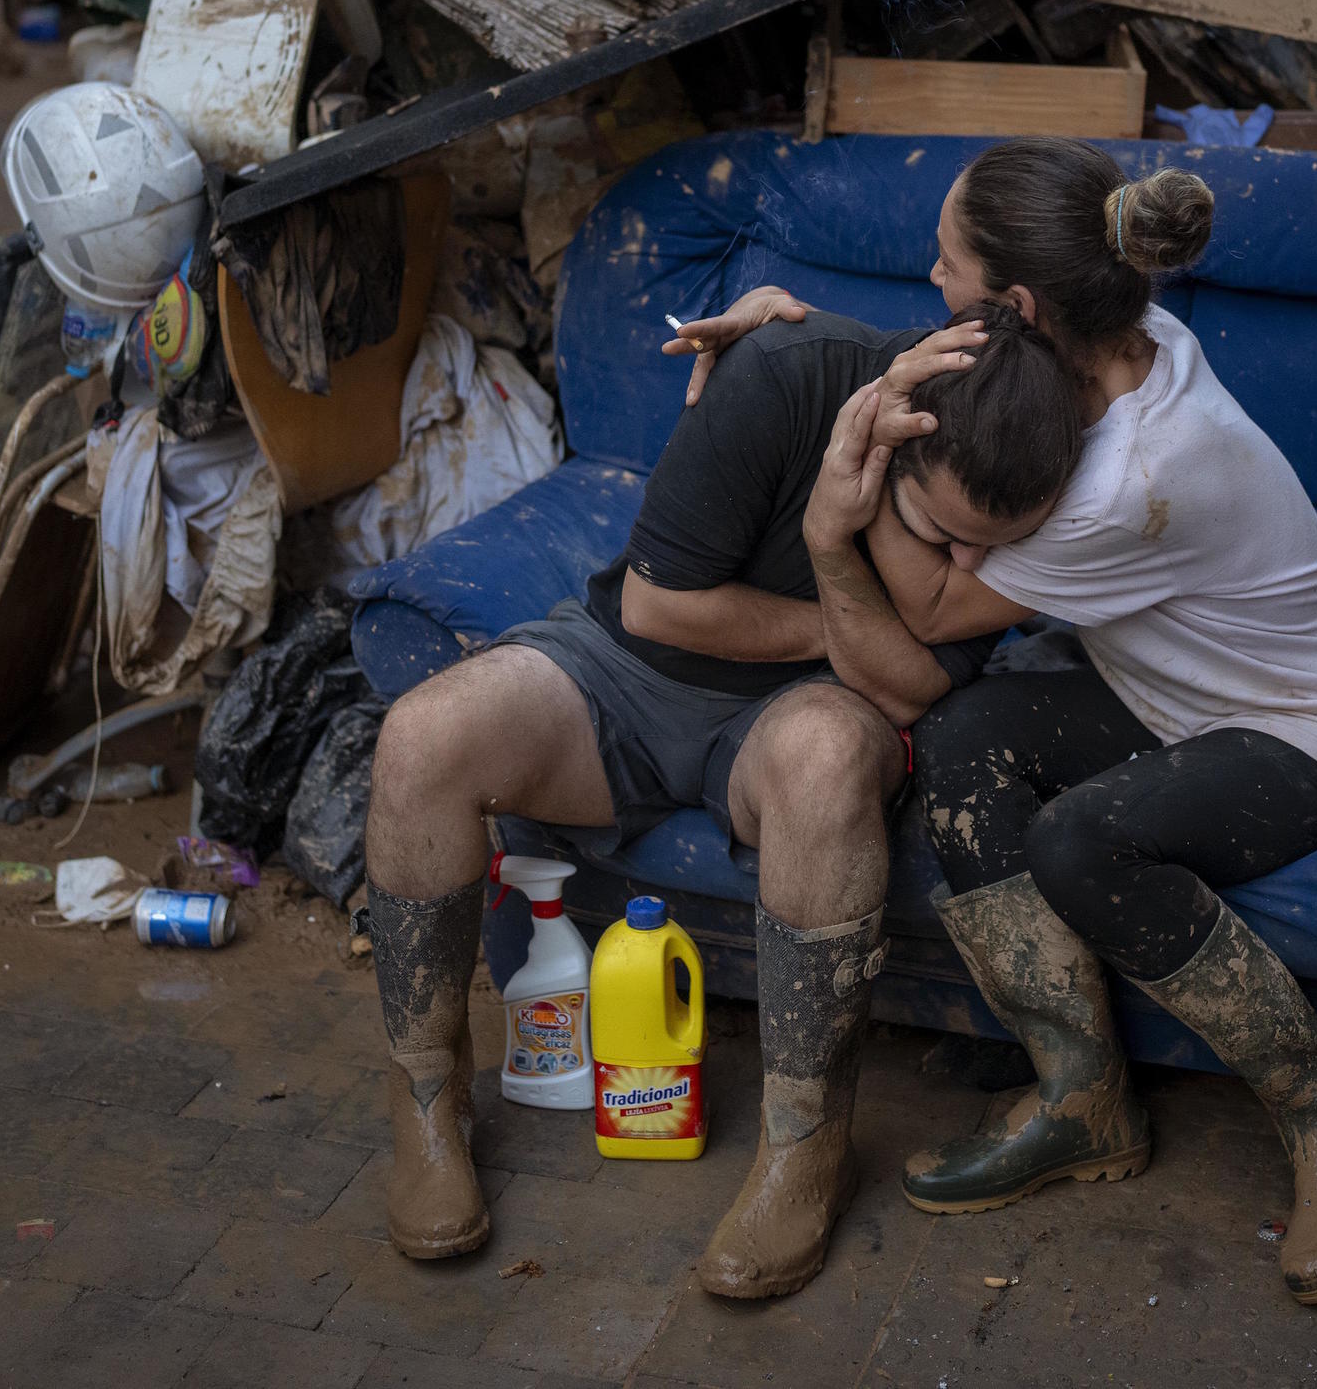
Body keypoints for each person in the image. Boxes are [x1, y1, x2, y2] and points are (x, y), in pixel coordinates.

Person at [665, 139, 1317, 1305]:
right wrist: (788, 332)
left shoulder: (1127, 477)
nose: (927, 279)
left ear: (1015, 305)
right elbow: (952, 360)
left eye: (944, 261)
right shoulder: (1125, 336)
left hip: (1311, 729)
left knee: (1081, 840)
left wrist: (846, 481)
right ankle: (1082, 1098)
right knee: (965, 741)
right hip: (1167, 701)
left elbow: (922, 614)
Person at [362, 301, 1081, 1301]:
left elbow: (910, 689)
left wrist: (843, 564)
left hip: (803, 714)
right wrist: (851, 625)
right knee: (421, 739)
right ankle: (427, 1103)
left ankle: (804, 1149)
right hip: (629, 665)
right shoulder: (787, 376)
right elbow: (661, 607)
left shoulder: (1034, 476)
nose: (964, 573)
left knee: (828, 755)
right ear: (885, 437)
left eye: (990, 552)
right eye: (939, 533)